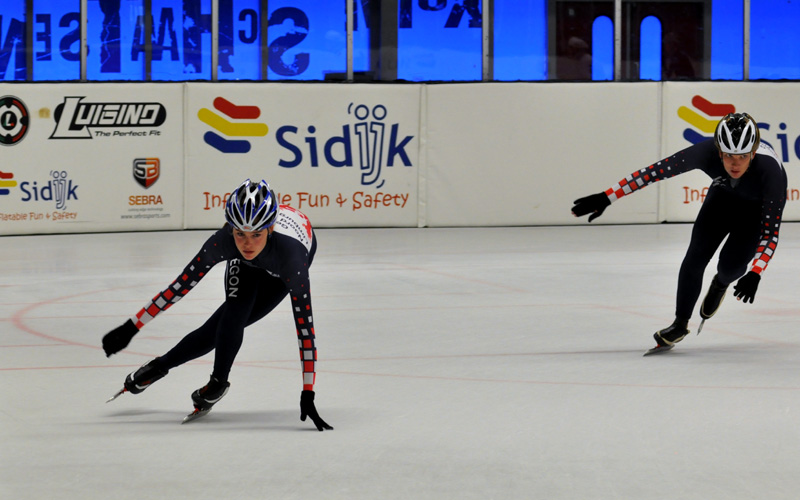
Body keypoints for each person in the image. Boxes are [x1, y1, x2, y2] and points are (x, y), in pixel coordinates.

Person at [102, 179, 333, 430]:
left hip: (279, 269)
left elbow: (305, 329)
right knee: (232, 315)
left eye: (256, 234)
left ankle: (200, 378)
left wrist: (307, 391)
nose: (247, 244)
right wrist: (131, 327)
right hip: (248, 266)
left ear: (270, 229)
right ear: (230, 228)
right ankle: (173, 372)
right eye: (239, 234)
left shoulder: (292, 260)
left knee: (230, 322)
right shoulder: (223, 241)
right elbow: (178, 288)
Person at [571, 113, 787, 348]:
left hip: (754, 215)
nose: (735, 164)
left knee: (730, 268)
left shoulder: (771, 173)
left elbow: (770, 233)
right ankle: (679, 324)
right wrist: (608, 196)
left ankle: (720, 284)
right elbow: (653, 172)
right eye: (728, 156)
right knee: (694, 259)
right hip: (722, 201)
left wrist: (756, 271)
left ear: (753, 154)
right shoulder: (705, 152)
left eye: (743, 157)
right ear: (718, 151)